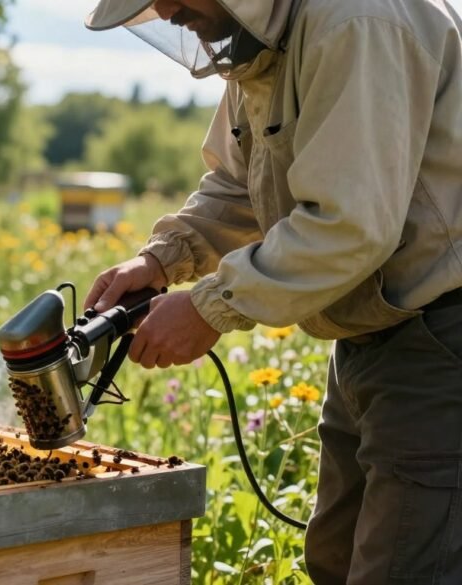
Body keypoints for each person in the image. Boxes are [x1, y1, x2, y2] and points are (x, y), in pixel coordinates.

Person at [80, 0, 462, 583]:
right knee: (335, 559)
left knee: (406, 566)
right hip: (368, 338)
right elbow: (240, 187)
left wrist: (210, 308)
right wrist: (159, 261)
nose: (165, 9)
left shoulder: (356, 21)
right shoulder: (260, 44)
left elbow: (350, 222)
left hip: (440, 337)